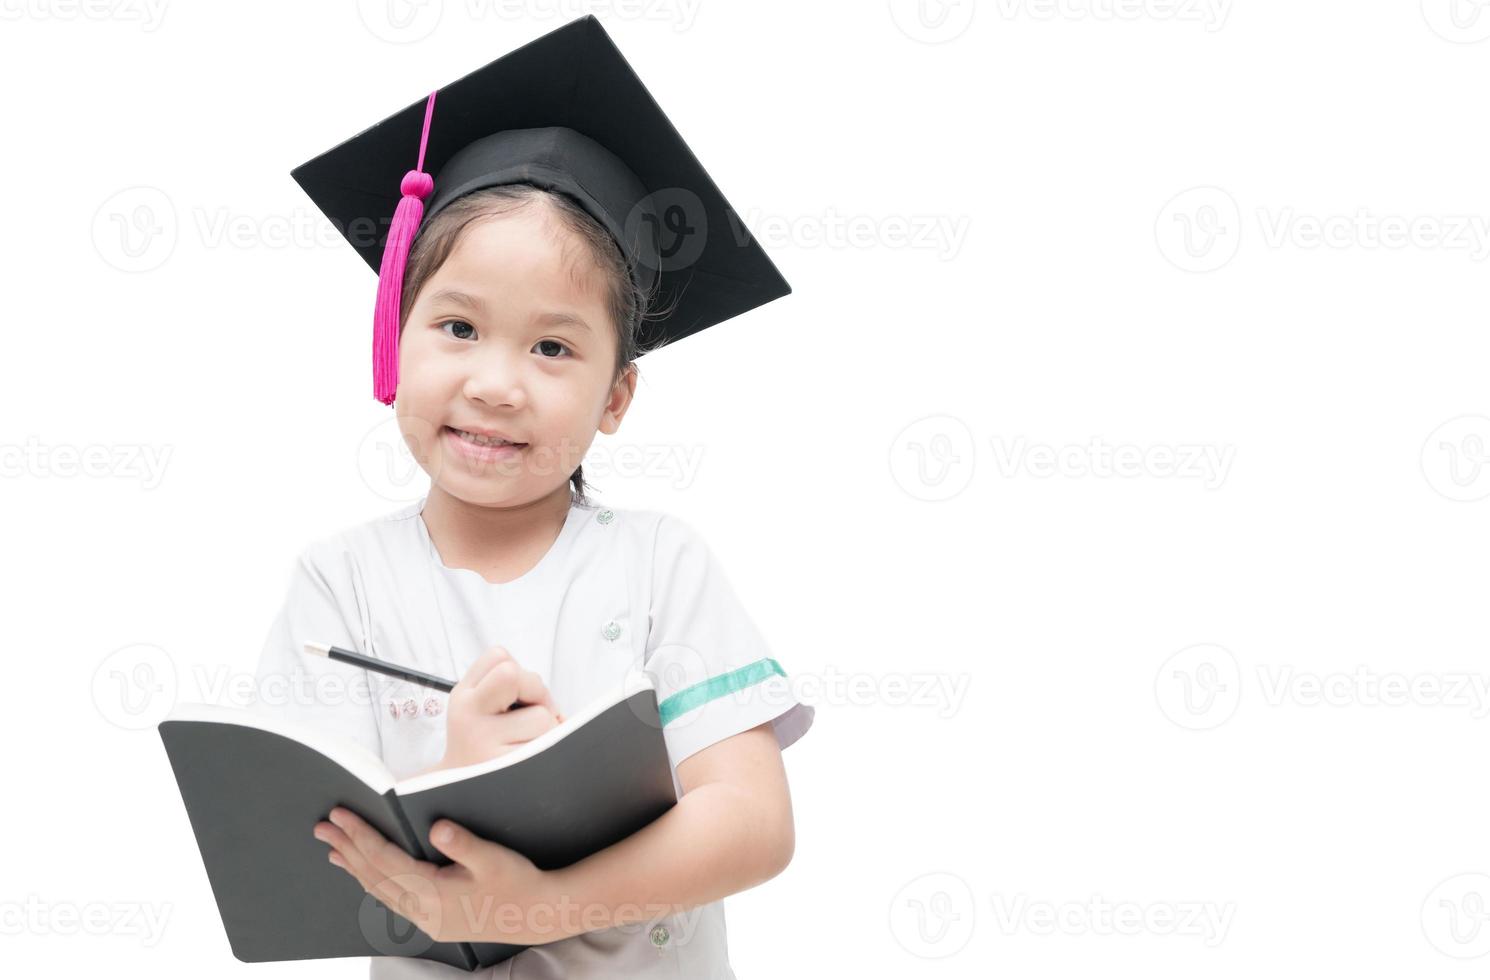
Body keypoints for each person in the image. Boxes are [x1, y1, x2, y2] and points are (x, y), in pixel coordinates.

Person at [250, 15, 814, 979]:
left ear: (617, 396)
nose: (496, 383)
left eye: (552, 347)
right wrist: (456, 785)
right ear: (396, 337)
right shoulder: (342, 584)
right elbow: (289, 866)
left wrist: (548, 902)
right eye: (459, 327)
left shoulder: (655, 565)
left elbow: (754, 821)